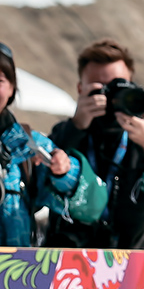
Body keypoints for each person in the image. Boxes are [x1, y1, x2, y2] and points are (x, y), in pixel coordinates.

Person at [48, 39, 144, 249]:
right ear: (80, 89)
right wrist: (75, 129)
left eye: (117, 87)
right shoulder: (65, 133)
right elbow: (41, 188)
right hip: (70, 262)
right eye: (99, 89)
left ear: (133, 87)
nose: (109, 98)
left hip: (134, 267)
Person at [0, 42, 83, 246]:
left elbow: (83, 205)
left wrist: (63, 170)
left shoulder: (26, 143)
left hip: (14, 272)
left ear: (12, 88)